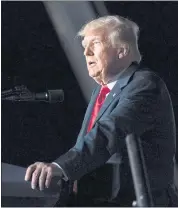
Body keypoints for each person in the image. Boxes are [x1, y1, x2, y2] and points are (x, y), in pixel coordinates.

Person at [24, 15, 178, 206]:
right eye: (84, 46)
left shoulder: (145, 85)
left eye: (94, 44)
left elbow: (109, 132)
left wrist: (60, 166)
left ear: (122, 51)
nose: (86, 52)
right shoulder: (104, 89)